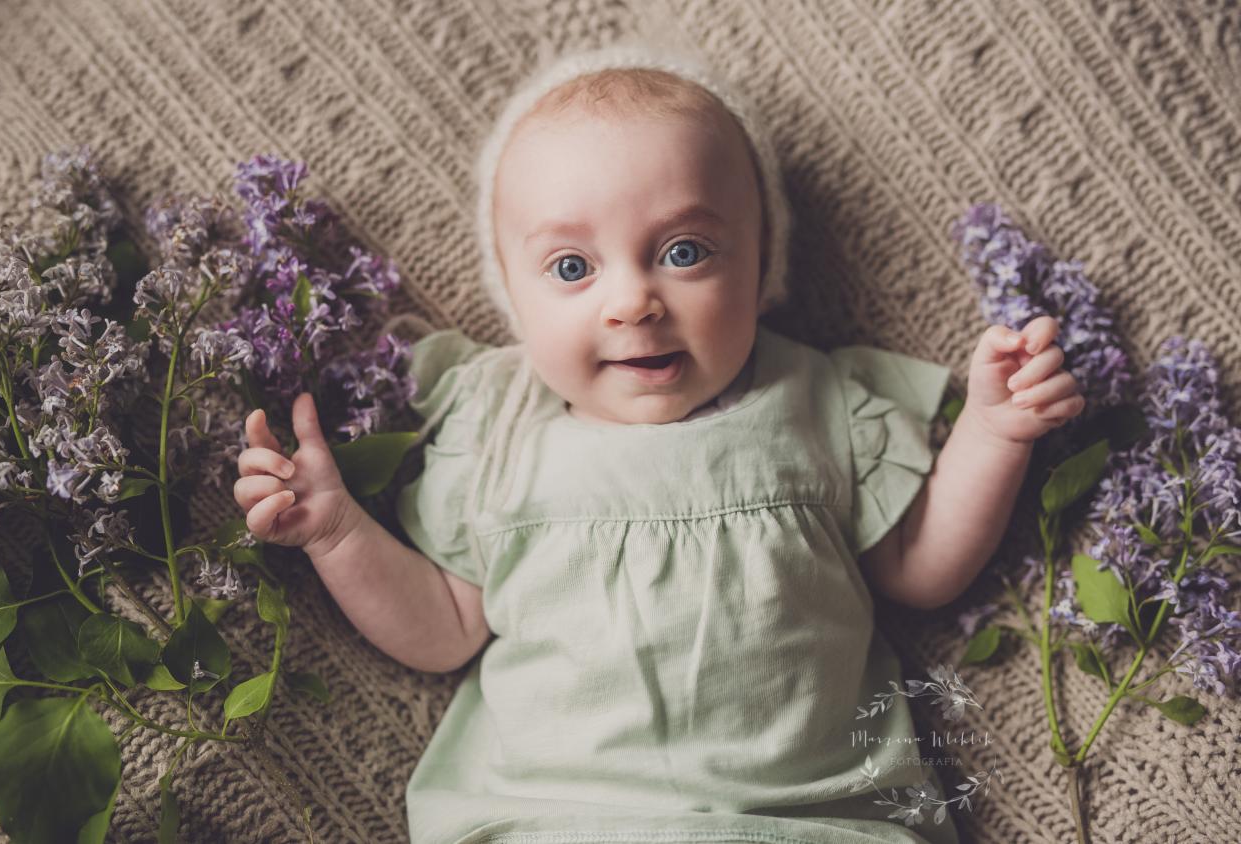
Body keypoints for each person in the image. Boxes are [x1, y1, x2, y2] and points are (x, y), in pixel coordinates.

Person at [233, 42, 1083, 844]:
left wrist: (991, 430)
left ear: (760, 269)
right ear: (514, 302)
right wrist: (338, 532)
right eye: (572, 268)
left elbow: (921, 569)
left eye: (684, 252)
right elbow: (443, 630)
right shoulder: (493, 428)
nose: (633, 300)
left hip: (808, 821)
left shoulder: (817, 400)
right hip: (562, 819)